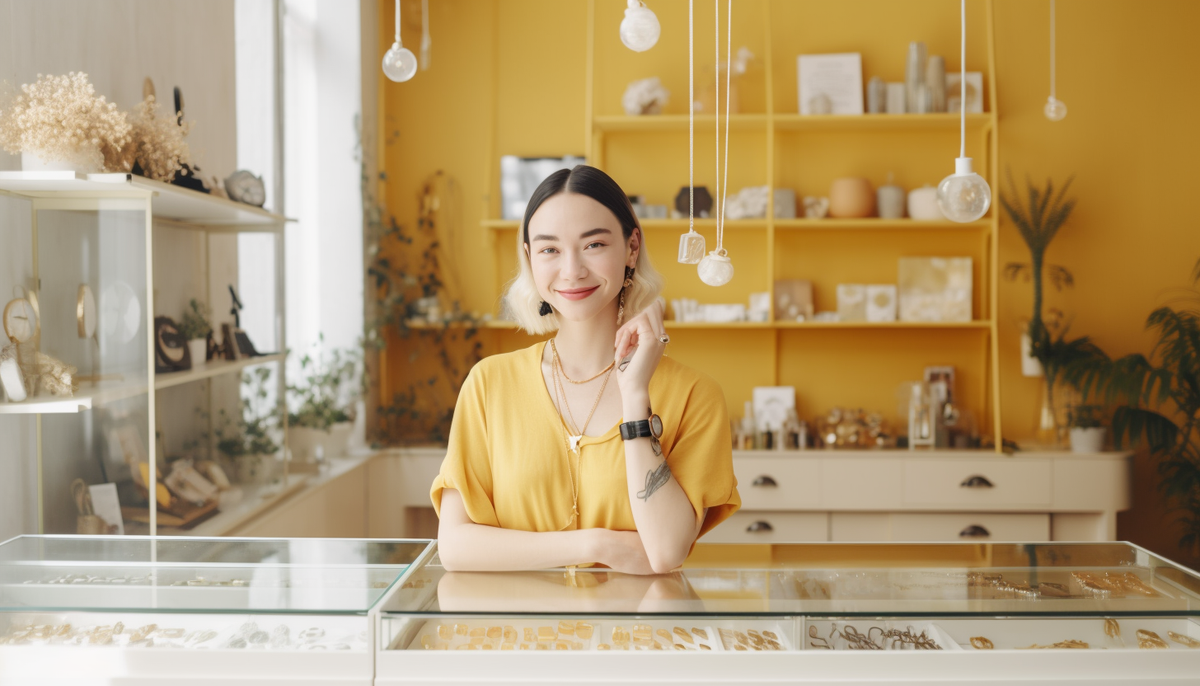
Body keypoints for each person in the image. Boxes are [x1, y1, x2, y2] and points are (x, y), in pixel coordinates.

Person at [431, 165, 740, 574]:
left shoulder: (695, 395)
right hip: (518, 635)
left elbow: (664, 553)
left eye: (593, 245)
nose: (572, 270)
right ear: (529, 257)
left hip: (637, 635)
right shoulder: (489, 384)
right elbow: (454, 546)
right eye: (549, 249)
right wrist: (598, 545)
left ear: (631, 248)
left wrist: (635, 398)